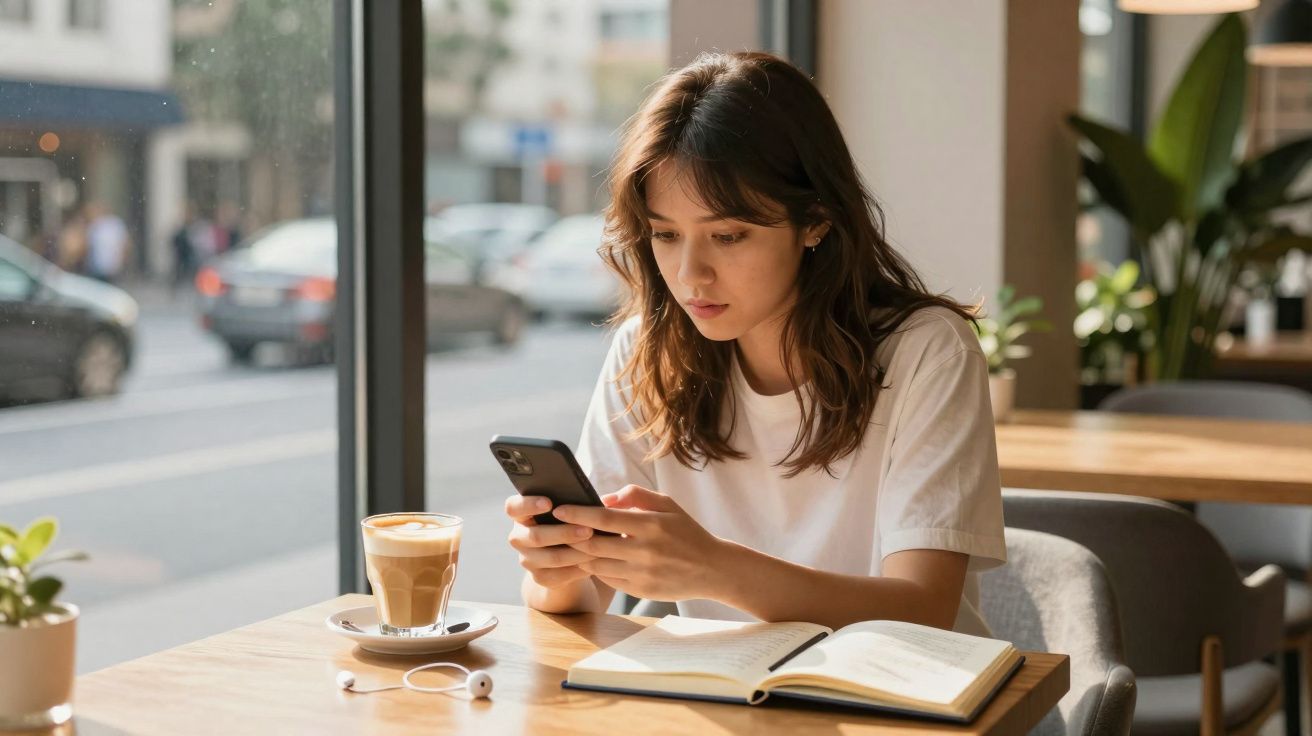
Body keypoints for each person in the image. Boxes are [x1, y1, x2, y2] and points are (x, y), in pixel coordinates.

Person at [504, 52, 1005, 634]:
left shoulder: (927, 352)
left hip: (905, 686)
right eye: (665, 234)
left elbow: (924, 609)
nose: (690, 274)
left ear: (815, 221)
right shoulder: (649, 352)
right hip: (731, 686)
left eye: (727, 235)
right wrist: (555, 568)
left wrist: (714, 569)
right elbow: (581, 598)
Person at [84, 202, 131, 284]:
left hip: (111, 266)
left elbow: (124, 244)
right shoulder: (94, 224)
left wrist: (122, 260)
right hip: (97, 267)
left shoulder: (115, 224)